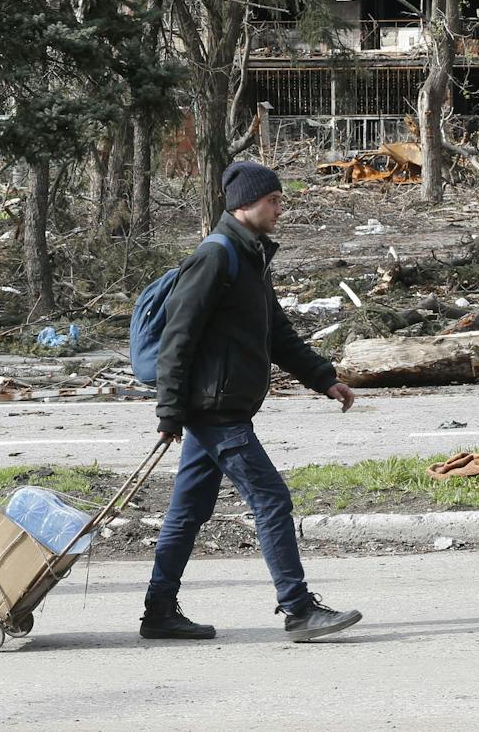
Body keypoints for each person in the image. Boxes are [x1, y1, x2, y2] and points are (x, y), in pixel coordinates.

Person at [142, 161, 363, 642]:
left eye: (280, 200)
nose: (281, 209)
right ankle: (299, 610)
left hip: (224, 406)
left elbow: (278, 334)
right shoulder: (215, 257)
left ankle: (158, 611)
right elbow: (178, 339)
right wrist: (169, 411)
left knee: (187, 510)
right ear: (245, 204)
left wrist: (325, 379)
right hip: (214, 409)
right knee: (271, 499)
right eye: (274, 201)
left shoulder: (251, 257)